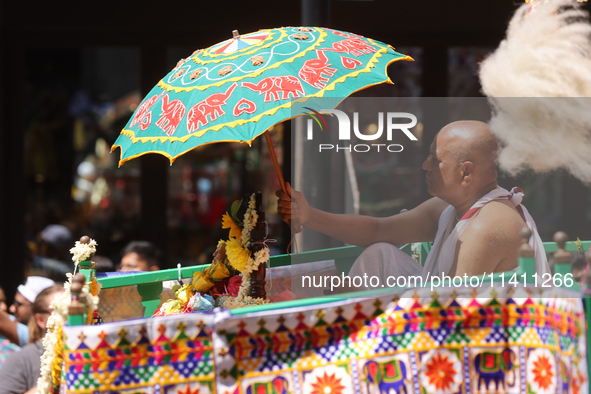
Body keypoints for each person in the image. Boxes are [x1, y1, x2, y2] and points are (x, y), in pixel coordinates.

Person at [276, 121, 549, 286]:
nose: (425, 165)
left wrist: (361, 310)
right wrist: (309, 215)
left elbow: (448, 315)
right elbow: (377, 231)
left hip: (483, 353)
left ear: (466, 173)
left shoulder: (487, 226)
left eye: (435, 160)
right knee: (379, 254)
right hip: (445, 313)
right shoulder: (450, 209)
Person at [0, 284, 63, 394]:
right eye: (61, 310)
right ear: (41, 320)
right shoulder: (20, 360)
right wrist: (49, 385)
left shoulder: (86, 352)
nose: (72, 315)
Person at [0, 277, 55, 347]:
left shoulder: (34, 336)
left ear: (35, 309)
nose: (12, 309)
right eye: (14, 303)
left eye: (19, 304)